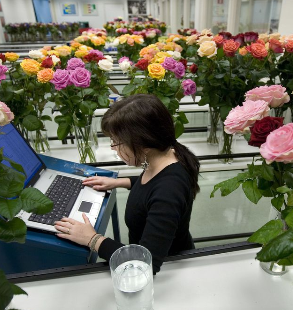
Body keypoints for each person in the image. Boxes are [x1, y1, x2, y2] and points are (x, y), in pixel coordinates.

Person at [54, 94, 200, 274]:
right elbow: (152, 184)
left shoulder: (169, 190)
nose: (113, 147)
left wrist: (93, 239)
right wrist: (119, 182)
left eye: (117, 141)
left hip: (169, 268)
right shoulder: (167, 154)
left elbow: (147, 263)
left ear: (144, 144)